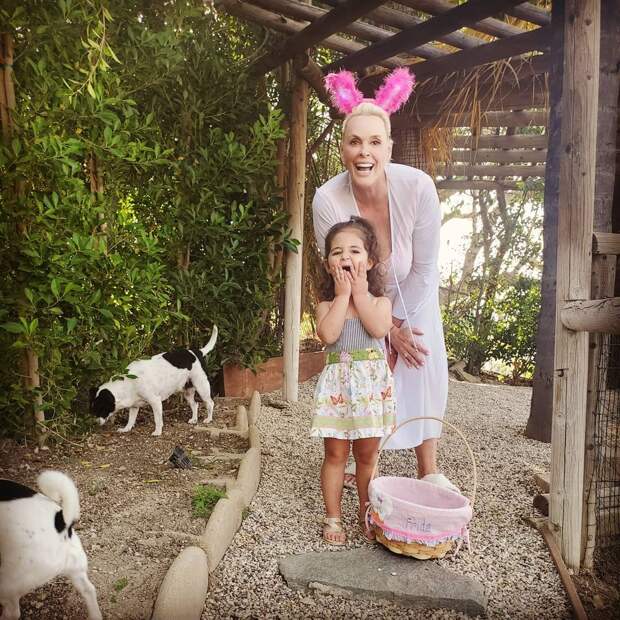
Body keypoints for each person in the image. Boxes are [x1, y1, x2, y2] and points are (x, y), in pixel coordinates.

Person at [312, 68, 457, 494]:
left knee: (419, 352)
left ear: (389, 147)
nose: (364, 152)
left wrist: (397, 328)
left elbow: (425, 269)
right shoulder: (327, 199)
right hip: (358, 294)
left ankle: (428, 467)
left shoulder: (418, 187)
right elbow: (337, 268)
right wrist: (381, 328)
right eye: (355, 141)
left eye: (375, 142)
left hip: (413, 290)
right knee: (364, 369)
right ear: (342, 148)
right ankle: (361, 462)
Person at [310, 217, 395, 545]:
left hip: (369, 393)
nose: (345, 256)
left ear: (370, 262)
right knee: (335, 455)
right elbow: (329, 334)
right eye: (337, 252)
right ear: (328, 265)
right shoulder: (326, 306)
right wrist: (343, 295)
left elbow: (378, 328)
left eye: (355, 251)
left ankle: (366, 511)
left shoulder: (380, 303)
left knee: (367, 456)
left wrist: (359, 293)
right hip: (338, 393)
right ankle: (333, 516)